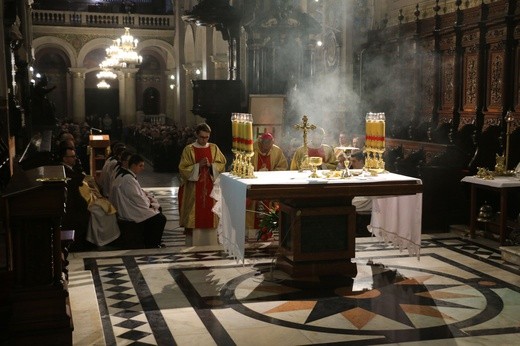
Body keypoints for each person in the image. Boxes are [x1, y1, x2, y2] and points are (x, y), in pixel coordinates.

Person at [178, 123, 226, 246]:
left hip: (211, 189)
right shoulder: (189, 149)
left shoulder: (214, 148)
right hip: (194, 190)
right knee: (195, 216)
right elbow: (183, 169)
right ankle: (194, 243)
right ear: (196, 135)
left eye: (207, 137)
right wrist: (198, 166)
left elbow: (222, 165)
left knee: (210, 214)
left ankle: (211, 243)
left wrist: (212, 166)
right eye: (202, 137)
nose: (204, 140)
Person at [111, 154, 166, 248]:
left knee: (157, 212)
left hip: (129, 205)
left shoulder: (126, 175)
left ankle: (154, 240)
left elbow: (137, 194)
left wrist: (148, 200)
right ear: (133, 165)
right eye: (140, 166)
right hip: (130, 210)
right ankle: (152, 244)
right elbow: (137, 198)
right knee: (160, 218)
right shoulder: (128, 178)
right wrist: (150, 204)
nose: (143, 168)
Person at [246, 133, 288, 237]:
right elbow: (242, 168)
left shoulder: (276, 151)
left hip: (268, 187)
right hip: (253, 186)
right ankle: (250, 234)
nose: (268, 148)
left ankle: (266, 233)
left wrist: (270, 173)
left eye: (270, 145)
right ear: (260, 143)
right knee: (252, 211)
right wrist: (256, 172)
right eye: (265, 145)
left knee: (268, 208)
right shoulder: (250, 150)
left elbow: (283, 167)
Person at [59, 146, 91, 251]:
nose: (75, 158)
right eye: (72, 156)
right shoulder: (65, 171)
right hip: (73, 208)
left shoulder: (72, 168)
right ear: (64, 159)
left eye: (75, 156)